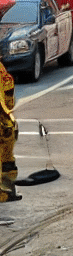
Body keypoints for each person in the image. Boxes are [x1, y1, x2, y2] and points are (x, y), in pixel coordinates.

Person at [0, 58, 19, 201]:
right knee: (7, 162)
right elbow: (9, 102)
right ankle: (7, 192)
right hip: (5, 125)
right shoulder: (3, 73)